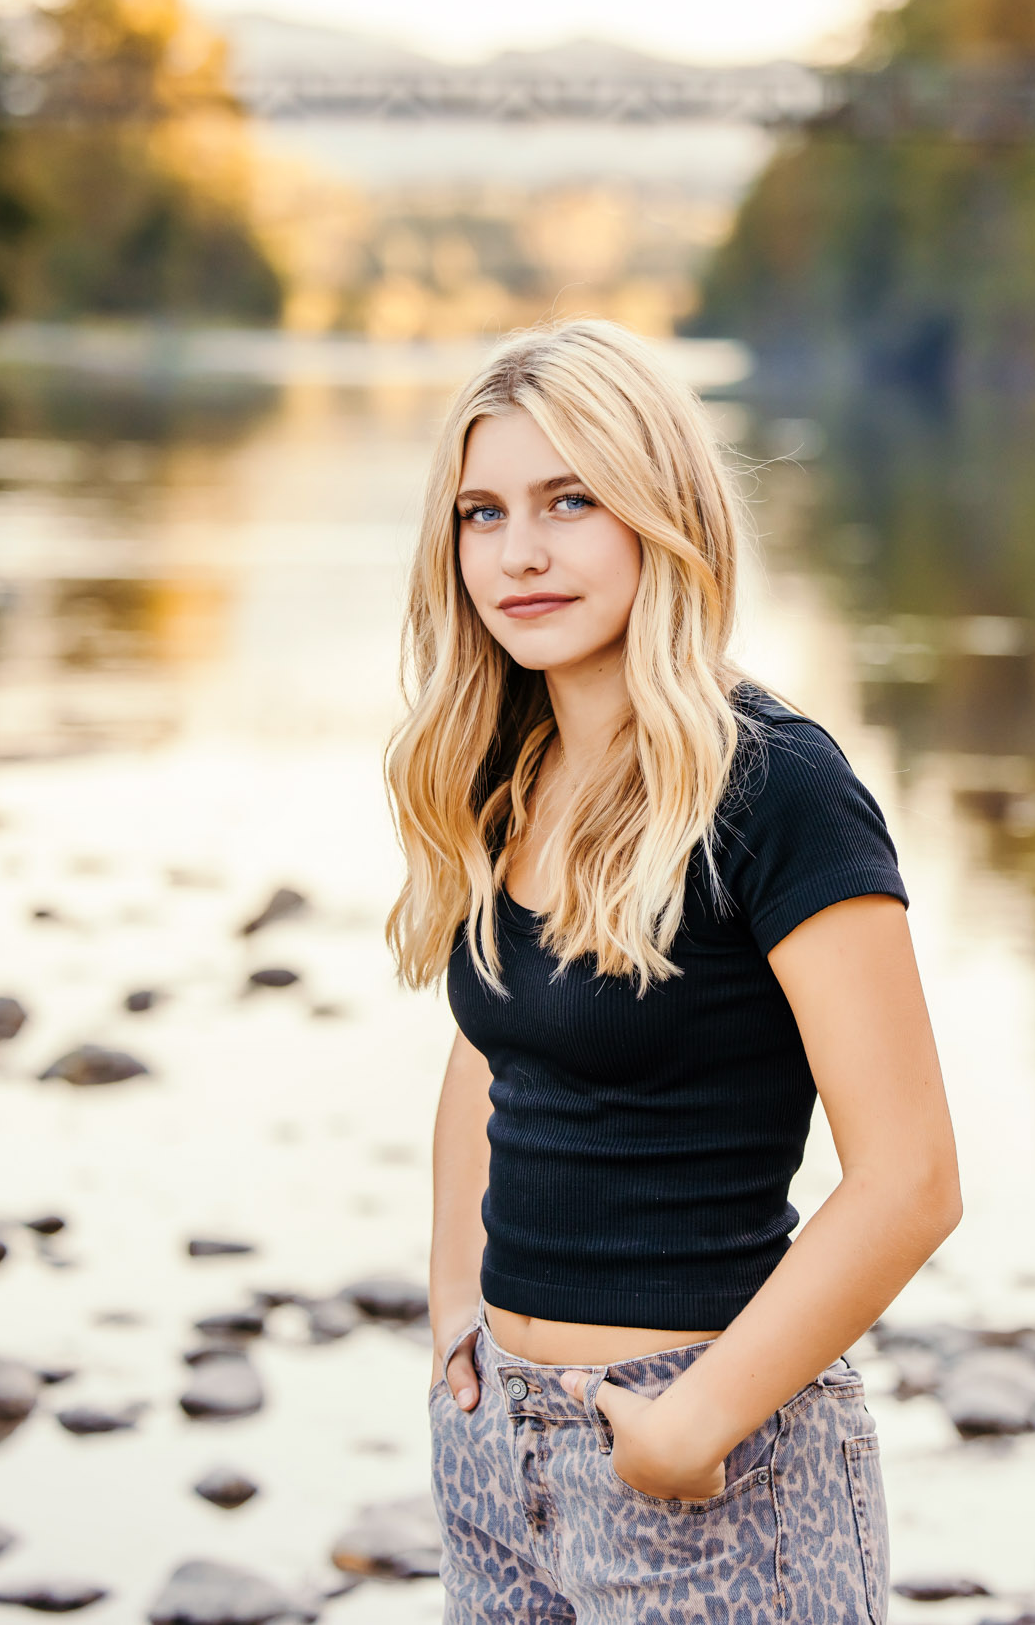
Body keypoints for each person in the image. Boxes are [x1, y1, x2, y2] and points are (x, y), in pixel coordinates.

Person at [384, 317, 962, 1625]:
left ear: (665, 512)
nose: (518, 552)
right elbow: (489, 1055)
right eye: (482, 513)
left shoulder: (778, 789)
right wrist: (455, 1327)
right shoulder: (508, 767)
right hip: (496, 1455)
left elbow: (913, 1178)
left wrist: (691, 1421)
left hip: (707, 1475)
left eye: (570, 501)